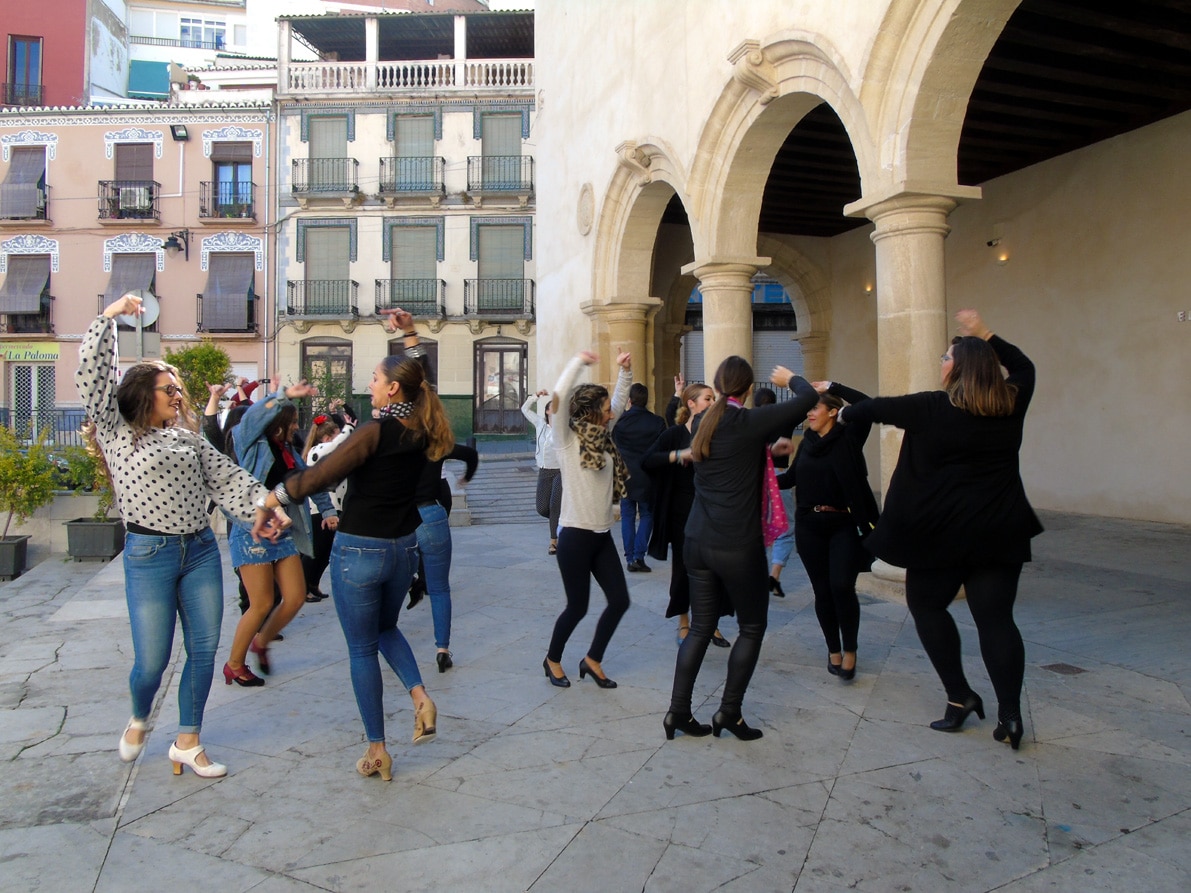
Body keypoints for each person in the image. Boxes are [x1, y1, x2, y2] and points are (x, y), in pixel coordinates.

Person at [77, 294, 284, 778]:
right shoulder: (116, 429)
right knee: (152, 661)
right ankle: (140, 716)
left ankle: (188, 739)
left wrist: (267, 509)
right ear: (140, 394)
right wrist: (108, 317)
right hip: (149, 555)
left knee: (203, 650)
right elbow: (92, 372)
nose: (176, 394)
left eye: (177, 388)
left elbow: (229, 478)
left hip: (199, 552)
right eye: (167, 387)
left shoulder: (187, 438)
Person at [257, 309, 447, 781]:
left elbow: (318, 475)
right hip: (403, 549)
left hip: (359, 550)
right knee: (386, 629)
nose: (371, 382)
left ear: (393, 389)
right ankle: (420, 696)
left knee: (362, 649)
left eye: (377, 378)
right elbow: (426, 381)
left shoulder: (373, 433)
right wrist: (408, 336)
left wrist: (270, 499)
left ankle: (378, 750)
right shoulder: (422, 428)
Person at [839, 309, 1041, 750]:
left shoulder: (931, 406)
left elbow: (869, 409)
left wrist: (834, 398)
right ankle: (1009, 714)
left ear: (959, 367)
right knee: (997, 620)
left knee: (927, 606)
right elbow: (1025, 367)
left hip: (940, 535)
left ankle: (959, 696)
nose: (941, 361)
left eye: (946, 356)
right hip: (999, 531)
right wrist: (986, 333)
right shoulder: (1011, 402)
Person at [664, 356, 817, 741]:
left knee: (699, 628)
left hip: (697, 539)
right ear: (747, 389)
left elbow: (738, 453)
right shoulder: (748, 421)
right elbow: (808, 397)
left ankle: (677, 712)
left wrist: (770, 450)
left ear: (717, 387)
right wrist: (790, 376)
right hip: (736, 544)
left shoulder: (703, 421)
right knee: (752, 627)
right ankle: (729, 713)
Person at [383, 312, 479, 672]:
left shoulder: (389, 431)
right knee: (440, 588)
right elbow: (425, 381)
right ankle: (442, 649)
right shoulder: (435, 432)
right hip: (433, 514)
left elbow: (421, 381)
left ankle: (387, 640)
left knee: (390, 589)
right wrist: (410, 333)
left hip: (401, 520)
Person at [223, 384, 338, 685]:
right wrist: (281, 396)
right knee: (260, 603)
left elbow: (308, 482)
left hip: (283, 535)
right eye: (293, 420)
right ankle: (234, 664)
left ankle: (261, 642)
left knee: (296, 597)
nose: (297, 426)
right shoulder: (251, 444)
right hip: (252, 533)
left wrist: (328, 511)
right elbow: (249, 420)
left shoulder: (289, 453)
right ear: (279, 422)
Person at [769, 379, 879, 680]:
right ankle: (833, 650)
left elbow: (866, 404)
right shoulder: (807, 444)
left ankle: (851, 650)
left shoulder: (849, 437)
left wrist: (836, 386)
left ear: (833, 412)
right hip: (809, 527)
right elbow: (790, 478)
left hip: (843, 523)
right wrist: (759, 477)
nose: (809, 414)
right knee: (822, 591)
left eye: (814, 408)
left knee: (842, 586)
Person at [543, 348, 633, 689]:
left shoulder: (603, 439)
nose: (611, 415)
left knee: (620, 600)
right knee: (577, 607)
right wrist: (577, 362)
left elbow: (621, 403)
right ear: (594, 412)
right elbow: (559, 398)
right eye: (606, 410)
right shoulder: (567, 441)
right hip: (575, 537)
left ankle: (592, 659)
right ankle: (552, 659)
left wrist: (625, 370)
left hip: (601, 536)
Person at [642, 382, 731, 648]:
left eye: (714, 398)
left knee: (715, 568)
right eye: (707, 398)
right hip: (682, 512)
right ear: (691, 403)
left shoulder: (718, 435)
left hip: (713, 512)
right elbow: (647, 460)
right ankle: (684, 622)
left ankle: (710, 622)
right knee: (684, 568)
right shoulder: (675, 434)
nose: (712, 402)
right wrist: (678, 455)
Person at [612, 383, 667, 572]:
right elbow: (661, 449)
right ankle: (639, 556)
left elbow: (615, 447)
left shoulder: (620, 423)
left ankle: (629, 558)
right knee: (647, 515)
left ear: (629, 400)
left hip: (626, 475)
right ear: (646, 400)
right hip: (647, 476)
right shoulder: (657, 422)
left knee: (627, 515)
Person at [301, 409, 353, 602]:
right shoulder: (316, 452)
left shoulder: (331, 455)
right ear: (325, 438)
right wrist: (349, 427)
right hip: (320, 510)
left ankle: (313, 584)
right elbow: (338, 444)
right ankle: (302, 587)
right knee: (315, 551)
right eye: (335, 436)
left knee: (324, 552)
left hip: (335, 509)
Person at [754, 387, 794, 598]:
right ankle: (774, 574)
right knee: (785, 527)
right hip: (780, 475)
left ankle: (757, 575)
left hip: (757, 475)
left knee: (757, 526)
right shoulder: (784, 418)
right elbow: (805, 403)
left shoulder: (750, 420)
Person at [522, 389, 562, 555]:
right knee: (542, 508)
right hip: (544, 472)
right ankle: (564, 524)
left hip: (560, 471)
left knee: (554, 505)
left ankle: (553, 542)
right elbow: (524, 409)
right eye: (552, 406)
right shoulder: (540, 424)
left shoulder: (563, 428)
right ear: (547, 411)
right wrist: (536, 396)